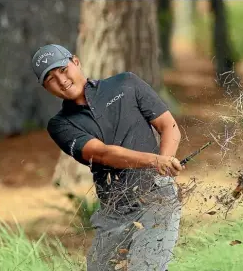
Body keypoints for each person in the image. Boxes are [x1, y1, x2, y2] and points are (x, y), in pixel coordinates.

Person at [31, 44, 184, 271]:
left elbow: (168, 126)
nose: (61, 81)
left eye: (63, 70)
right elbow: (102, 154)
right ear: (46, 88)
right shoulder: (61, 125)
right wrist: (155, 161)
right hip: (114, 211)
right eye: (51, 79)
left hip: (157, 199)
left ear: (76, 62)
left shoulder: (126, 83)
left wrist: (163, 167)